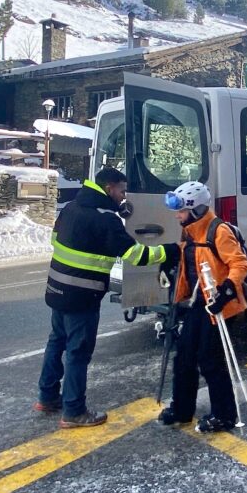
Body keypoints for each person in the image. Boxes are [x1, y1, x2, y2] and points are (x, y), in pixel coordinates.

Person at [36, 168, 173, 428]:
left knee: (57, 341)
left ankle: (47, 396)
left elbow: (56, 239)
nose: (124, 197)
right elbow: (136, 256)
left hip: (57, 289)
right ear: (109, 188)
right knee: (78, 351)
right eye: (121, 191)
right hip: (82, 296)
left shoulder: (71, 207)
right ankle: (74, 411)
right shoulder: (105, 219)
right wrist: (170, 251)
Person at [157, 181, 247, 433]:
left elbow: (240, 264)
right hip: (199, 302)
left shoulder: (218, 231)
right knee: (185, 356)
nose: (177, 216)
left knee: (210, 359)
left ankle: (224, 415)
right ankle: (182, 409)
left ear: (196, 210)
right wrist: (170, 257)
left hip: (220, 305)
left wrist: (225, 292)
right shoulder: (190, 231)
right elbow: (190, 255)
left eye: (181, 211)